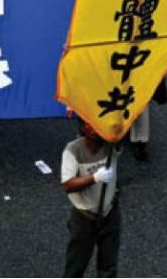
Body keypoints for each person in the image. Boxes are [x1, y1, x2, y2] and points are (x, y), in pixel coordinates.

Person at [61, 119, 121, 278]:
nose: (94, 127)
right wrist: (95, 178)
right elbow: (68, 185)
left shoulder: (111, 144)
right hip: (84, 218)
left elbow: (122, 129)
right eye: (89, 124)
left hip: (110, 214)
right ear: (82, 128)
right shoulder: (73, 150)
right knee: (76, 267)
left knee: (108, 267)